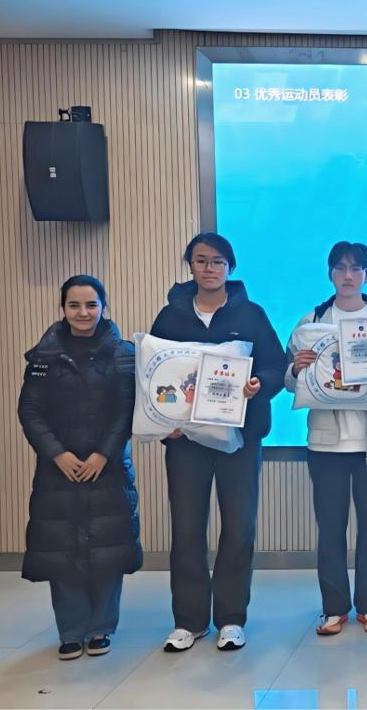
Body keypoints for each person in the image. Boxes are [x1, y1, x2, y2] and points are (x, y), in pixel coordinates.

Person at [149, 232, 287, 652]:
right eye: (201, 260)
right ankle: (189, 621)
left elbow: (276, 366)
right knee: (187, 528)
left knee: (239, 527)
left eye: (217, 261)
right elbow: (152, 373)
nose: (209, 268)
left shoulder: (251, 314)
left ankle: (230, 618)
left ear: (230, 267)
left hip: (239, 439)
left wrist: (258, 385)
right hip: (185, 441)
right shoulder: (170, 317)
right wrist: (163, 420)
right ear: (190, 265)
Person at [283, 242, 367, 636]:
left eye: (356, 268)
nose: (348, 275)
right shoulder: (310, 322)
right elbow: (288, 381)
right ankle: (333, 608)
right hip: (326, 443)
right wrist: (296, 369)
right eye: (340, 268)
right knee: (330, 528)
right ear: (330, 273)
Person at [18, 275, 141, 660]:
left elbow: (128, 409)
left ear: (103, 306)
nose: (83, 312)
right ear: (64, 308)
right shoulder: (44, 355)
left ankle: (101, 627)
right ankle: (71, 631)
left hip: (109, 467)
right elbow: (30, 411)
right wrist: (58, 454)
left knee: (108, 549)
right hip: (59, 469)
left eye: (91, 305)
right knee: (62, 550)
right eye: (74, 305)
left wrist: (104, 454)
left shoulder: (124, 353)